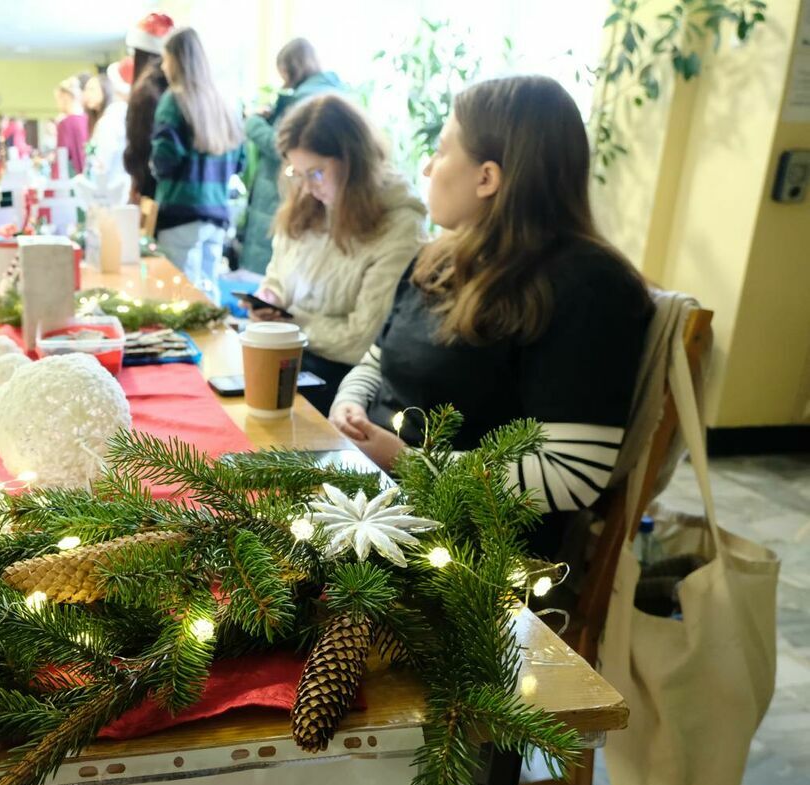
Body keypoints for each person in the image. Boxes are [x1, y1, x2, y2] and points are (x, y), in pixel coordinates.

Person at [329, 75, 653, 560]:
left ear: (487, 178)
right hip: (372, 494)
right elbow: (376, 361)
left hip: (466, 550)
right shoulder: (438, 259)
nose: (426, 166)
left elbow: (572, 473)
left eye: (440, 152)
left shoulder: (590, 287)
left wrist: (409, 462)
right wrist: (347, 408)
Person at [249, 95, 425, 416]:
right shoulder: (306, 204)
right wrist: (270, 296)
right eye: (295, 173)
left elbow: (363, 339)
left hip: (342, 388)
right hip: (288, 359)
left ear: (353, 162)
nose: (305, 187)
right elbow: (278, 275)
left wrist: (289, 322)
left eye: (315, 172)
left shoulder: (398, 225)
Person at [150, 27, 244, 295]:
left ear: (176, 60)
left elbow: (165, 157)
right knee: (208, 290)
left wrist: (154, 168)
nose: (164, 67)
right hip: (217, 212)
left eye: (166, 59)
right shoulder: (225, 103)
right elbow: (240, 162)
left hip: (181, 209)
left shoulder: (175, 100)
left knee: (179, 294)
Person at [241, 39, 345, 275]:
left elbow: (280, 146)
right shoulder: (330, 92)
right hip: (296, 196)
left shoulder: (305, 100)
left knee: (272, 271)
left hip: (281, 194)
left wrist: (254, 123)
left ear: (290, 67)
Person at [123, 12, 174, 201]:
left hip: (149, 190)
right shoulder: (177, 90)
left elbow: (138, 149)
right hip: (172, 192)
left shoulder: (144, 92)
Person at [74, 58, 132, 208]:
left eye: (92, 89)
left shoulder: (110, 120)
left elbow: (102, 162)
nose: (87, 95)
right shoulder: (104, 120)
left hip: (109, 193)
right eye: (86, 90)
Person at [54, 76, 88, 175]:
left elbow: (61, 158)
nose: (57, 104)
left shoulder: (65, 123)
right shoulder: (88, 119)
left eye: (58, 99)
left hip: (72, 178)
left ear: (65, 97)